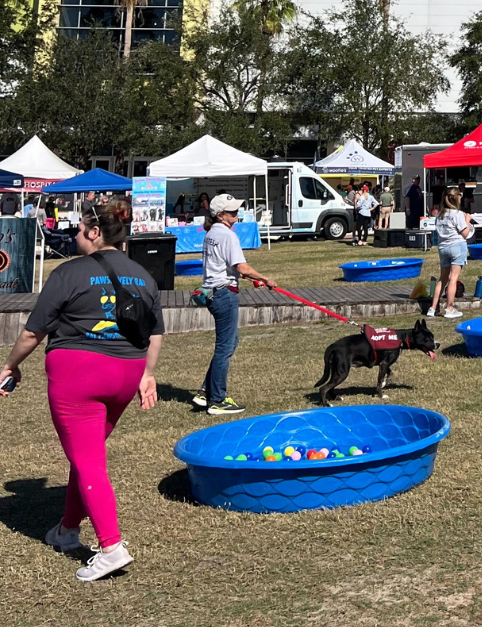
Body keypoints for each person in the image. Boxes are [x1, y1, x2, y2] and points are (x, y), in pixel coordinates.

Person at [0, 199, 163, 581]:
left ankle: (111, 546)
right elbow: (154, 332)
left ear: (94, 232)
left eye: (79, 229)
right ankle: (67, 531)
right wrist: (148, 374)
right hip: (127, 373)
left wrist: (10, 365)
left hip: (80, 374)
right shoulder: (143, 274)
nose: (75, 235)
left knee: (89, 460)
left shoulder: (68, 272)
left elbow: (32, 332)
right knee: (86, 453)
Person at [193, 194, 276, 416]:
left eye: (237, 211)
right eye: (232, 212)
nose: (236, 215)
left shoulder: (211, 233)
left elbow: (226, 266)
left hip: (212, 292)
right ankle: (217, 400)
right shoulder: (228, 236)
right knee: (225, 347)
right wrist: (265, 278)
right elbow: (241, 267)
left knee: (229, 343)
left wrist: (251, 278)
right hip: (224, 294)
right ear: (220, 215)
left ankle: (205, 391)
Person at [427, 188, 472, 319]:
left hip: (443, 247)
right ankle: (449, 308)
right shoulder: (457, 214)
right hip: (457, 245)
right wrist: (467, 220)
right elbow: (465, 233)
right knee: (453, 278)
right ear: (456, 198)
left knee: (443, 278)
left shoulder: (440, 214)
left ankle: (433, 307)